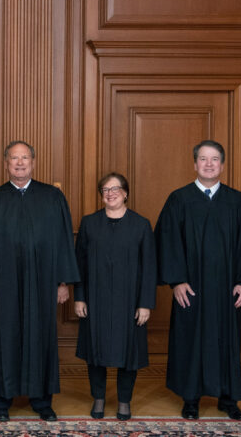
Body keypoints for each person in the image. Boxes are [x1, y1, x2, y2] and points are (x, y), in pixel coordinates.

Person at [156, 140, 241, 421]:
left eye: (215, 159)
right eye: (203, 159)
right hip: (191, 288)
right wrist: (177, 281)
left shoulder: (237, 201)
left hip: (226, 288)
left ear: (222, 164)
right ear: (194, 164)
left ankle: (228, 398)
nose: (209, 164)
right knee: (190, 340)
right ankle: (190, 398)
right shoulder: (179, 199)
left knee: (226, 340)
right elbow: (167, 242)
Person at [0, 140, 79, 422]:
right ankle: (0, 400)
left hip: (42, 281)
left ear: (33, 162)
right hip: (1, 285)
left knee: (40, 336)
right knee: (2, 336)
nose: (19, 163)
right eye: (14, 158)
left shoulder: (52, 197)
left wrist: (62, 282)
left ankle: (42, 400)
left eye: (24, 158)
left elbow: (63, 241)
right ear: (5, 163)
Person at [74, 172, 156, 421]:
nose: (110, 194)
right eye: (105, 190)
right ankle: (98, 398)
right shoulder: (89, 223)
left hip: (129, 301)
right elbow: (80, 265)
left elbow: (149, 268)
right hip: (95, 299)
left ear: (126, 193)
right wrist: (80, 297)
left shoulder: (141, 225)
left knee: (128, 354)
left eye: (115, 189)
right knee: (95, 353)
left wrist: (145, 304)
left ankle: (124, 401)